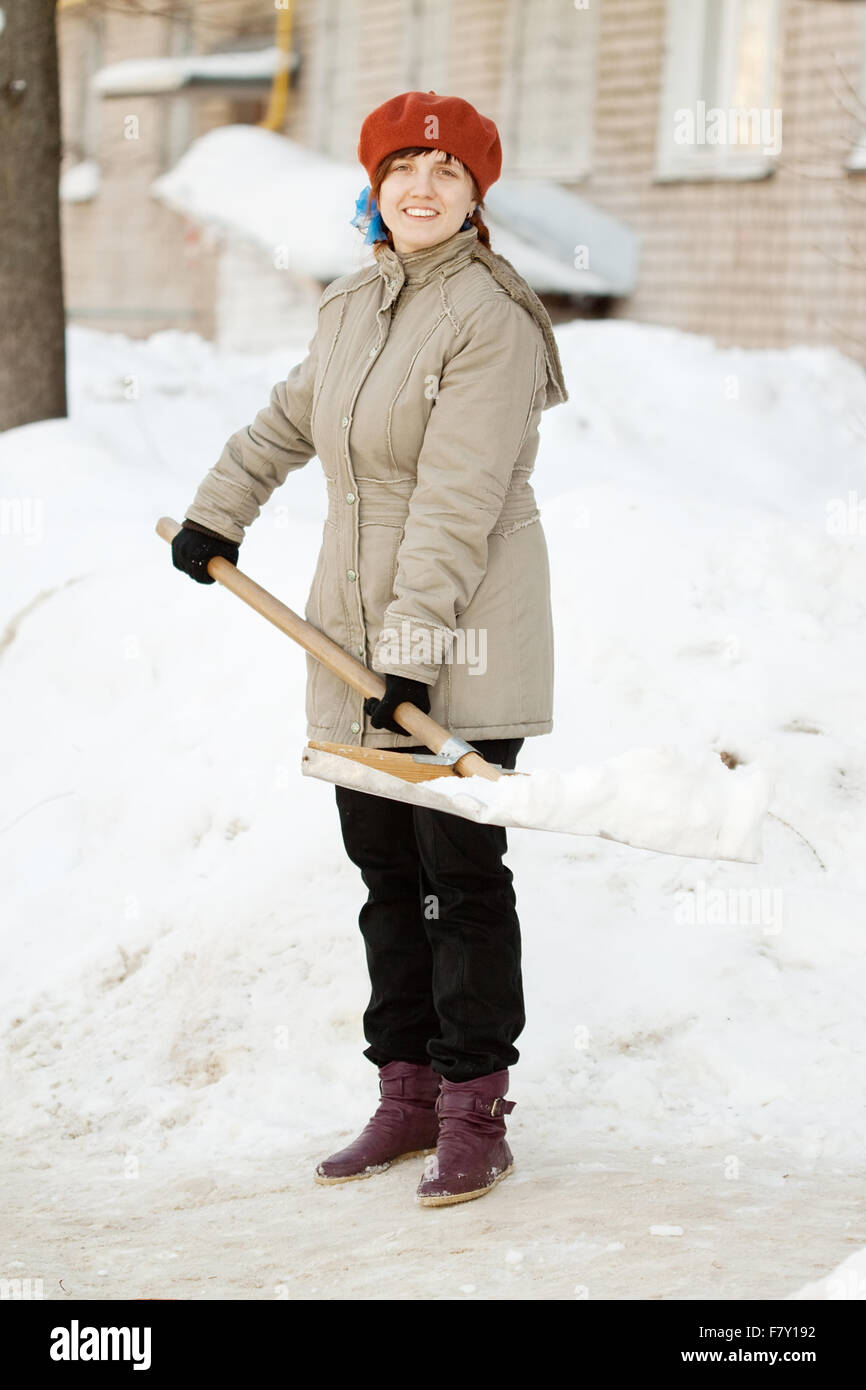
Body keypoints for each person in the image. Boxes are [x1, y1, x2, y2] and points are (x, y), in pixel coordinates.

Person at [171, 90, 568, 1207]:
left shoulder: (488, 317)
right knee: (384, 872)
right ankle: (401, 1095)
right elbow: (291, 418)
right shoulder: (353, 304)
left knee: (456, 879)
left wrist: (413, 652)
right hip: (356, 636)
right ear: (375, 186)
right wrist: (221, 509)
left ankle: (471, 1108)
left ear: (475, 194)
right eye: (402, 169)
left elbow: (454, 501)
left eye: (446, 173)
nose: (422, 188)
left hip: (462, 634)